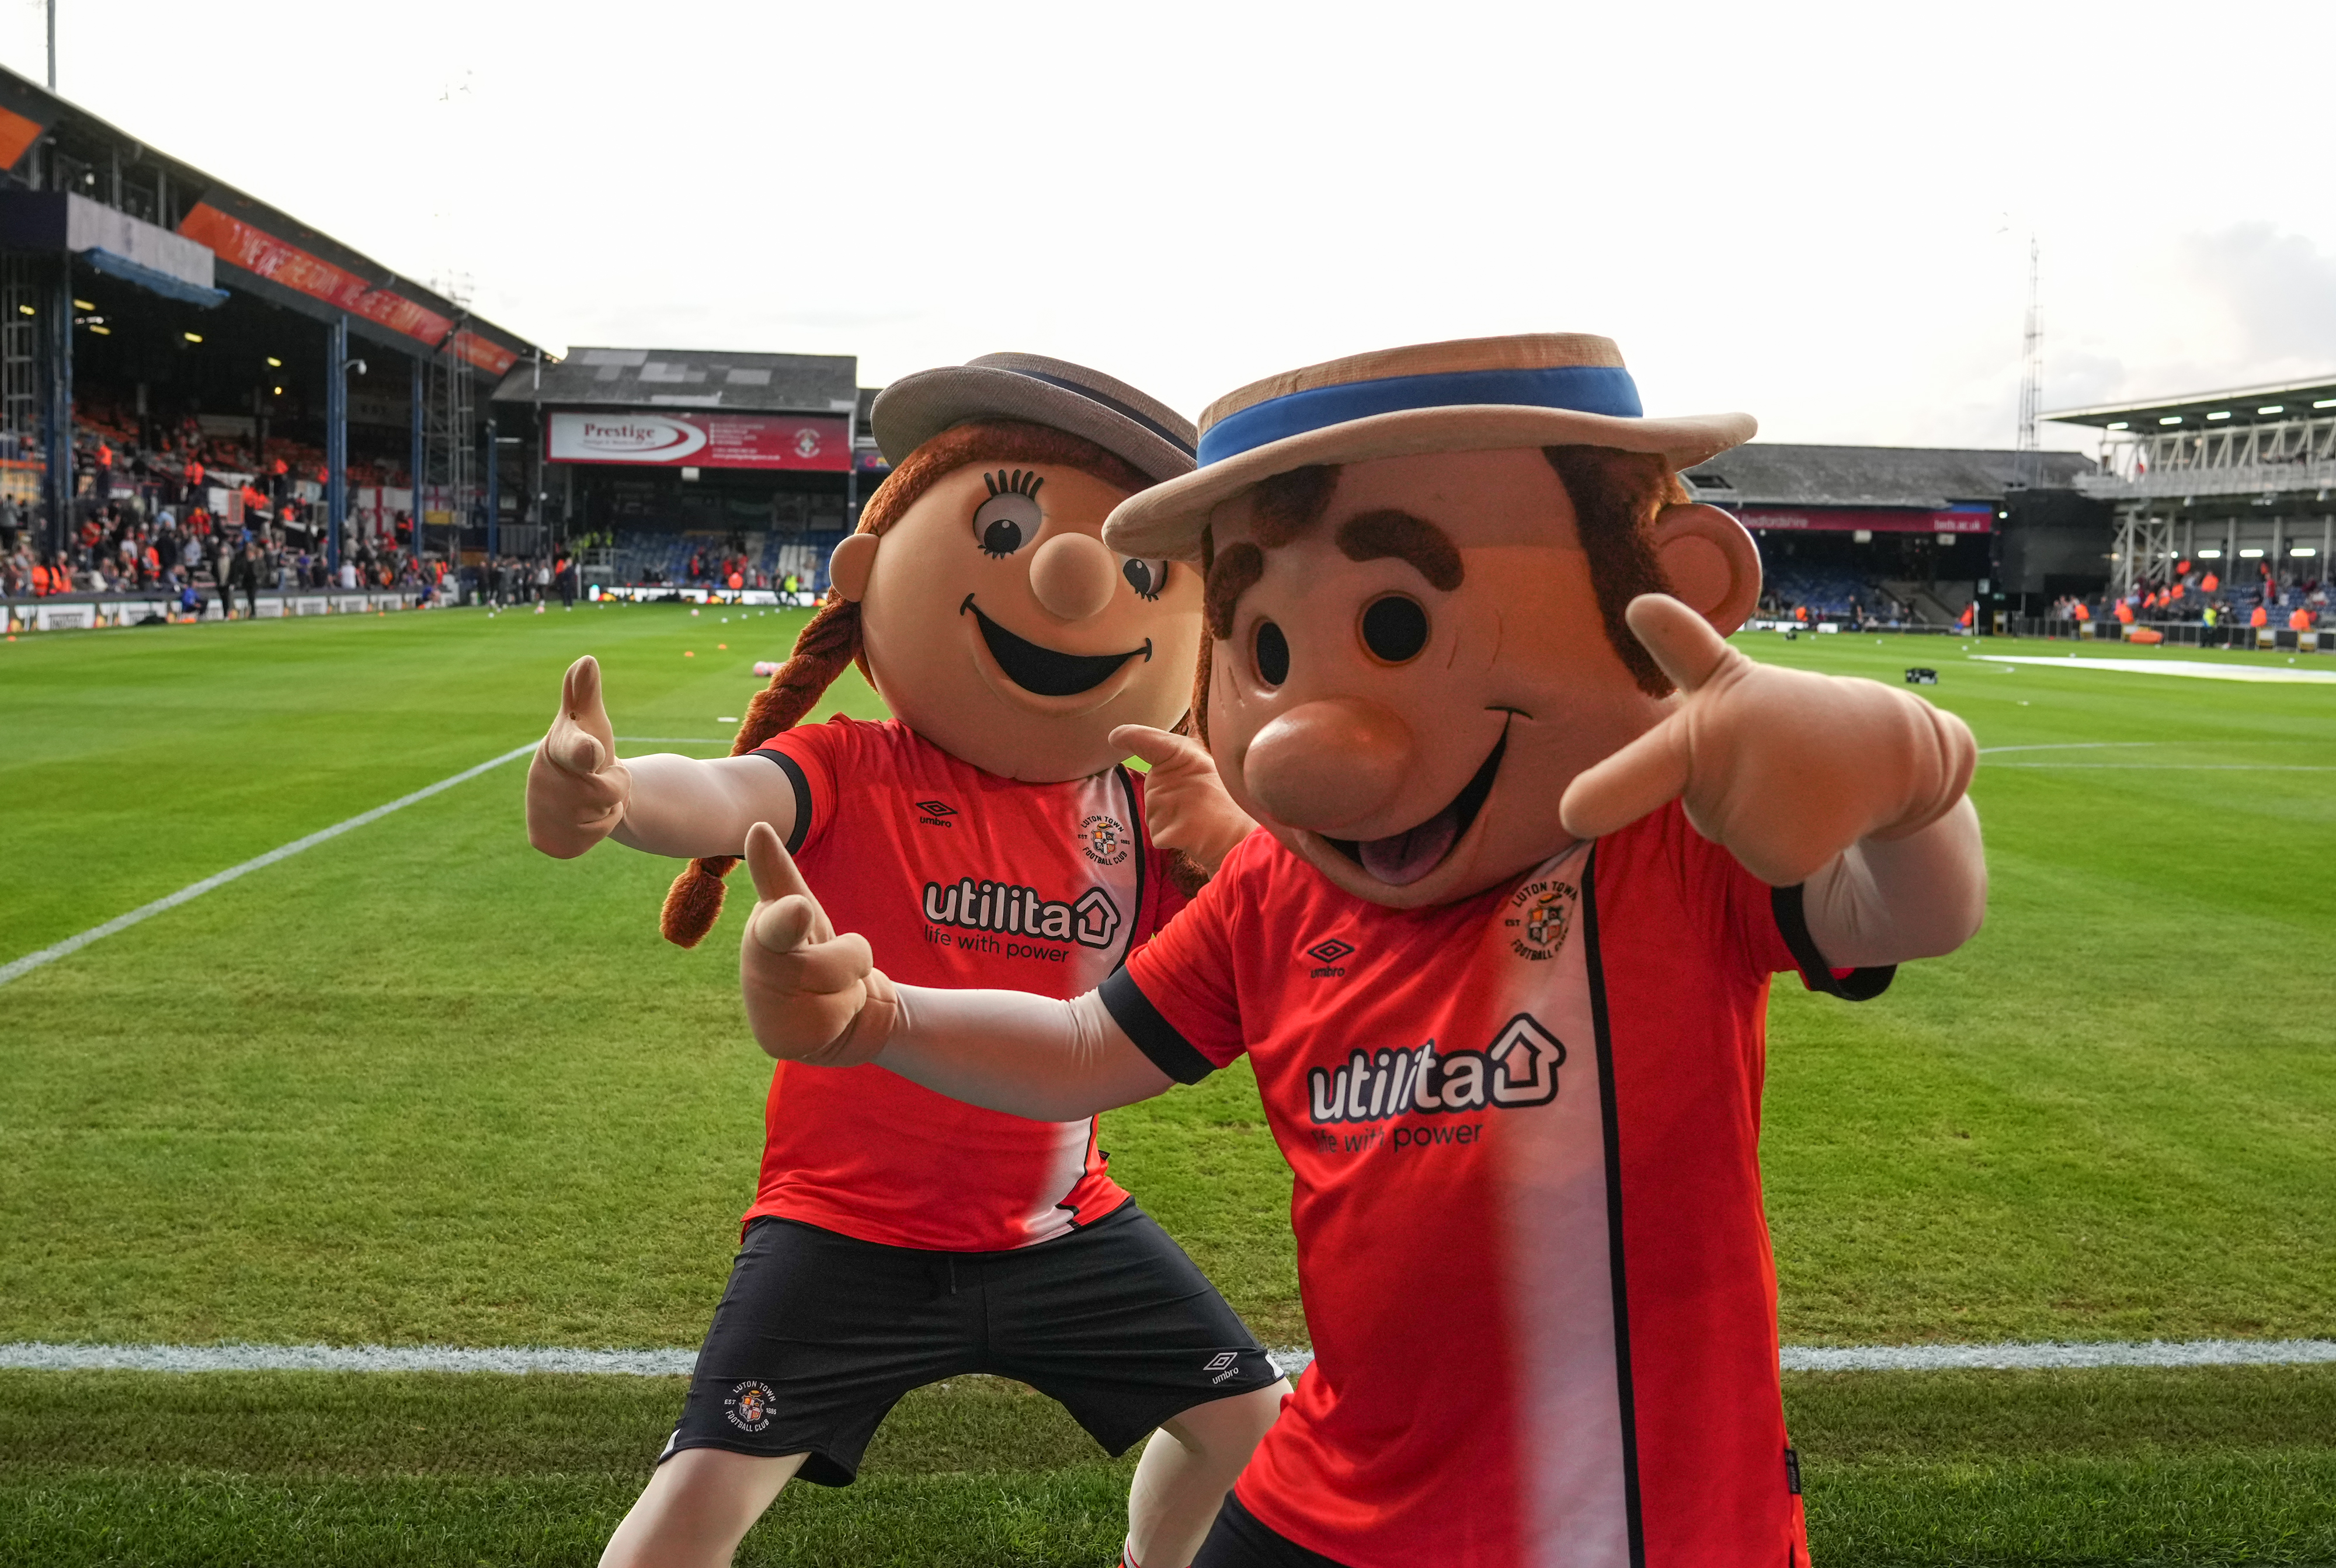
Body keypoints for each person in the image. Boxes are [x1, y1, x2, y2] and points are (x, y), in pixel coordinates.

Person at [736, 335, 1990, 1568]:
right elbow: (1079, 1048)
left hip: (1629, 1517)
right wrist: (881, 1017)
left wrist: (1910, 775)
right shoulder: (1276, 885)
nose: (1298, 739)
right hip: (1330, 1487)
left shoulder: (1656, 842)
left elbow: (1910, 913)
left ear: (1673, 580)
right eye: (1265, 654)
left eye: (1391, 625)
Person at [527, 356, 1289, 1568]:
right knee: (689, 1515)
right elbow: (727, 793)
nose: (1075, 578)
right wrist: (618, 795)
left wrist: (1238, 853)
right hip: (842, 1231)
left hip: (1055, 1226)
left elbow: (1238, 989)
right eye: (1004, 531)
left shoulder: (1144, 817)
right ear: (875, 576)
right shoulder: (856, 763)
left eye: (1142, 572)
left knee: (1256, 1436)